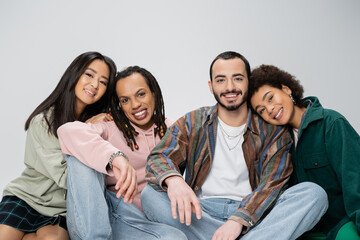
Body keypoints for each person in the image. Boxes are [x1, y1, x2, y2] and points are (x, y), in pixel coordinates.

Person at [141, 51, 328, 240]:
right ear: (211, 85)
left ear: (248, 81)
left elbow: (273, 183)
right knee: (150, 194)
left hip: (255, 216)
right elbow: (159, 157)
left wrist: (238, 221)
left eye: (237, 78)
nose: (230, 87)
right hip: (200, 213)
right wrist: (175, 181)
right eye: (221, 80)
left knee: (314, 194)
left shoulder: (272, 129)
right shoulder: (193, 121)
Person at [57, 66, 187, 240]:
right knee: (80, 154)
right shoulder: (111, 128)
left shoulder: (172, 130)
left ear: (154, 93)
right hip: (104, 215)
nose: (135, 105)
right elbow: (68, 131)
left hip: (144, 223)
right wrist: (116, 157)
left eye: (141, 94)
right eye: (125, 100)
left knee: (175, 238)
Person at [0, 51, 117, 240]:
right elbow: (66, 177)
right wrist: (84, 129)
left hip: (61, 209)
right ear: (74, 74)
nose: (95, 85)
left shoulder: (100, 125)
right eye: (89, 74)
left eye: (103, 82)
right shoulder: (43, 122)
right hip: (26, 198)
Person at [248, 64, 360, 240]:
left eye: (270, 98)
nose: (269, 109)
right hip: (304, 230)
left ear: (286, 89)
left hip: (341, 224)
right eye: (261, 110)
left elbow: (355, 184)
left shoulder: (330, 123)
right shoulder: (278, 145)